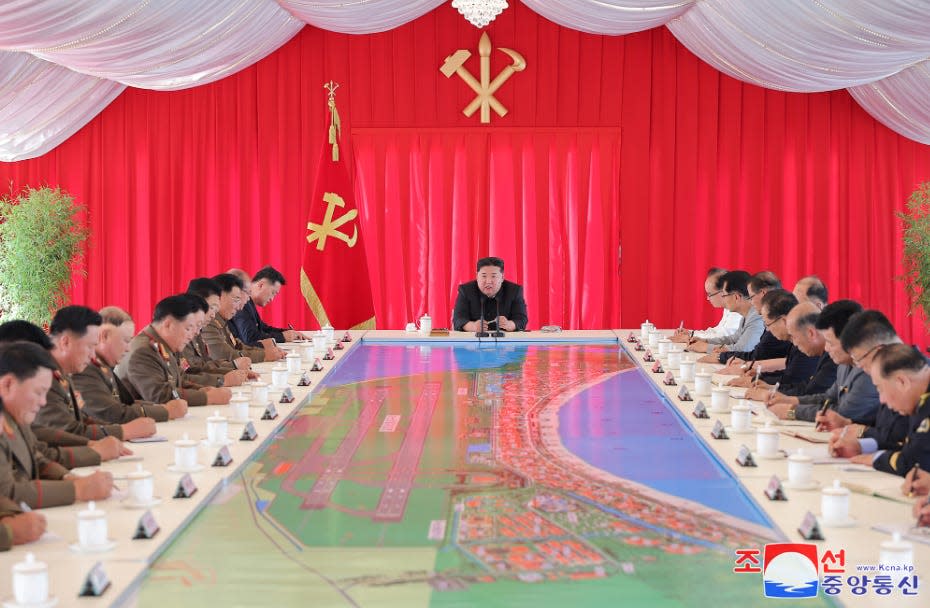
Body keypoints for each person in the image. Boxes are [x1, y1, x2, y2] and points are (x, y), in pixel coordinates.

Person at [0, 342, 114, 508]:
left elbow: (36, 456)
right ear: (8, 384)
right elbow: (7, 493)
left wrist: (68, 478)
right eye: (38, 392)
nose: (43, 402)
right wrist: (76, 490)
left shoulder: (16, 413)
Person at [36, 306, 155, 441]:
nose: (93, 354)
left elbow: (81, 420)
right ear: (65, 342)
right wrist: (123, 432)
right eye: (89, 346)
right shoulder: (41, 375)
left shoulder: (62, 371)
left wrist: (113, 433)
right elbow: (65, 433)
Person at [71, 306, 187, 423]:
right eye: (126, 340)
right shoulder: (84, 368)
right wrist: (165, 411)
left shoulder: (104, 364)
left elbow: (126, 402)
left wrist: (161, 408)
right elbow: (111, 413)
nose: (128, 348)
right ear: (104, 336)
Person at [118, 295, 232, 407]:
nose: (196, 333)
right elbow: (160, 395)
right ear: (168, 324)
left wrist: (202, 389)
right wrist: (207, 397)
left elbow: (179, 379)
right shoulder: (143, 351)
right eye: (189, 328)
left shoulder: (165, 344)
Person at [846, 344, 930, 476]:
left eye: (880, 389)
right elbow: (909, 446)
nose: (882, 400)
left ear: (902, 382)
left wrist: (875, 459)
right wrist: (862, 446)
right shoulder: (919, 400)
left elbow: (912, 463)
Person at [202, 274, 283, 363]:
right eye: (236, 300)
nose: (239, 307)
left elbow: (237, 346)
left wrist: (264, 352)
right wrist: (263, 355)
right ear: (219, 296)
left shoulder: (222, 320)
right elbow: (223, 355)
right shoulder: (209, 321)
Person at [692, 271, 763, 363]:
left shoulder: (756, 316)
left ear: (736, 297)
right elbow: (732, 339)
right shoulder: (746, 315)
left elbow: (742, 349)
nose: (723, 300)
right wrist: (705, 341)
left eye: (724, 295)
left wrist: (707, 347)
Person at [452, 257, 528, 332]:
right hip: (473, 341)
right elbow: (458, 319)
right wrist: (473, 326)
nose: (488, 281)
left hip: (505, 342)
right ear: (477, 276)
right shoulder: (466, 290)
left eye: (493, 276)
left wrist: (510, 324)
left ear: (502, 277)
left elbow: (521, 319)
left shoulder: (514, 291)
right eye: (484, 276)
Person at [231, 266, 302, 344]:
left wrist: (287, 332)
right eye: (273, 293)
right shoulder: (241, 303)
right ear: (261, 285)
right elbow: (250, 338)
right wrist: (282, 336)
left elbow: (263, 328)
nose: (272, 299)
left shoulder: (249, 303)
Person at [670, 267, 742, 343]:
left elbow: (725, 336)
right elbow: (718, 331)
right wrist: (691, 333)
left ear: (723, 291)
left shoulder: (737, 307)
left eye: (710, 294)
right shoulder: (728, 308)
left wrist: (691, 337)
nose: (708, 298)